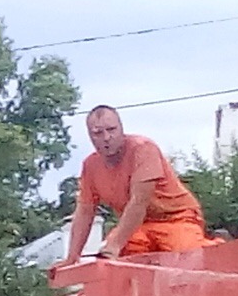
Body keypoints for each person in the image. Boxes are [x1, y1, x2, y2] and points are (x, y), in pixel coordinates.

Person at [58, 105, 213, 264]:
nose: (106, 137)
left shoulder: (143, 149)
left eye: (111, 129)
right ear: (90, 136)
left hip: (176, 218)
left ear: (121, 129)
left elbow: (139, 202)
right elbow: (85, 211)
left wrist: (115, 245)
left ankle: (222, 253)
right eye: (98, 133)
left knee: (188, 257)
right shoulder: (90, 165)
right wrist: (72, 257)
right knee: (119, 260)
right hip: (137, 227)